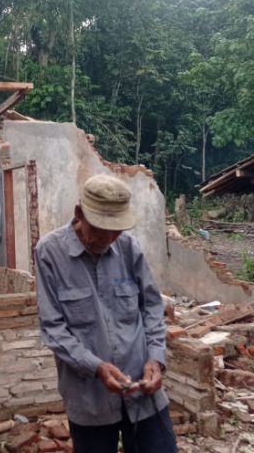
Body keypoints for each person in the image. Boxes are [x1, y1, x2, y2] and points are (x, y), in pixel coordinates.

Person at [35, 174, 177, 453]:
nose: (110, 238)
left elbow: (150, 306)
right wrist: (96, 367)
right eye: (102, 229)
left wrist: (156, 359)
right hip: (90, 397)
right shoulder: (49, 253)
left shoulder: (127, 247)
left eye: (117, 230)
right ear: (79, 214)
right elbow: (53, 328)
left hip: (144, 390)